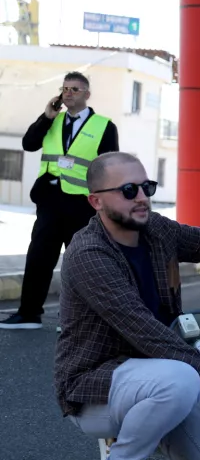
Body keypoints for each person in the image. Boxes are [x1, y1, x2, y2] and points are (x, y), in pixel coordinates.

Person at [55, 152, 200, 460]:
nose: (142, 198)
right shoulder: (88, 253)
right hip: (96, 386)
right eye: (129, 190)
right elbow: (144, 329)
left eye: (146, 187)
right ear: (96, 201)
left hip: (156, 374)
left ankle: (137, 426)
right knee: (181, 380)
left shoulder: (155, 230)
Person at [0, 72, 119, 330]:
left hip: (82, 202)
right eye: (65, 88)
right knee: (39, 256)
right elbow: (29, 144)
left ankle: (74, 319)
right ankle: (29, 314)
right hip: (50, 199)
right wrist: (46, 116)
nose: (68, 93)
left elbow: (110, 167)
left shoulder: (104, 125)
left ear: (87, 95)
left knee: (80, 261)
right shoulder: (52, 120)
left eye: (75, 89)